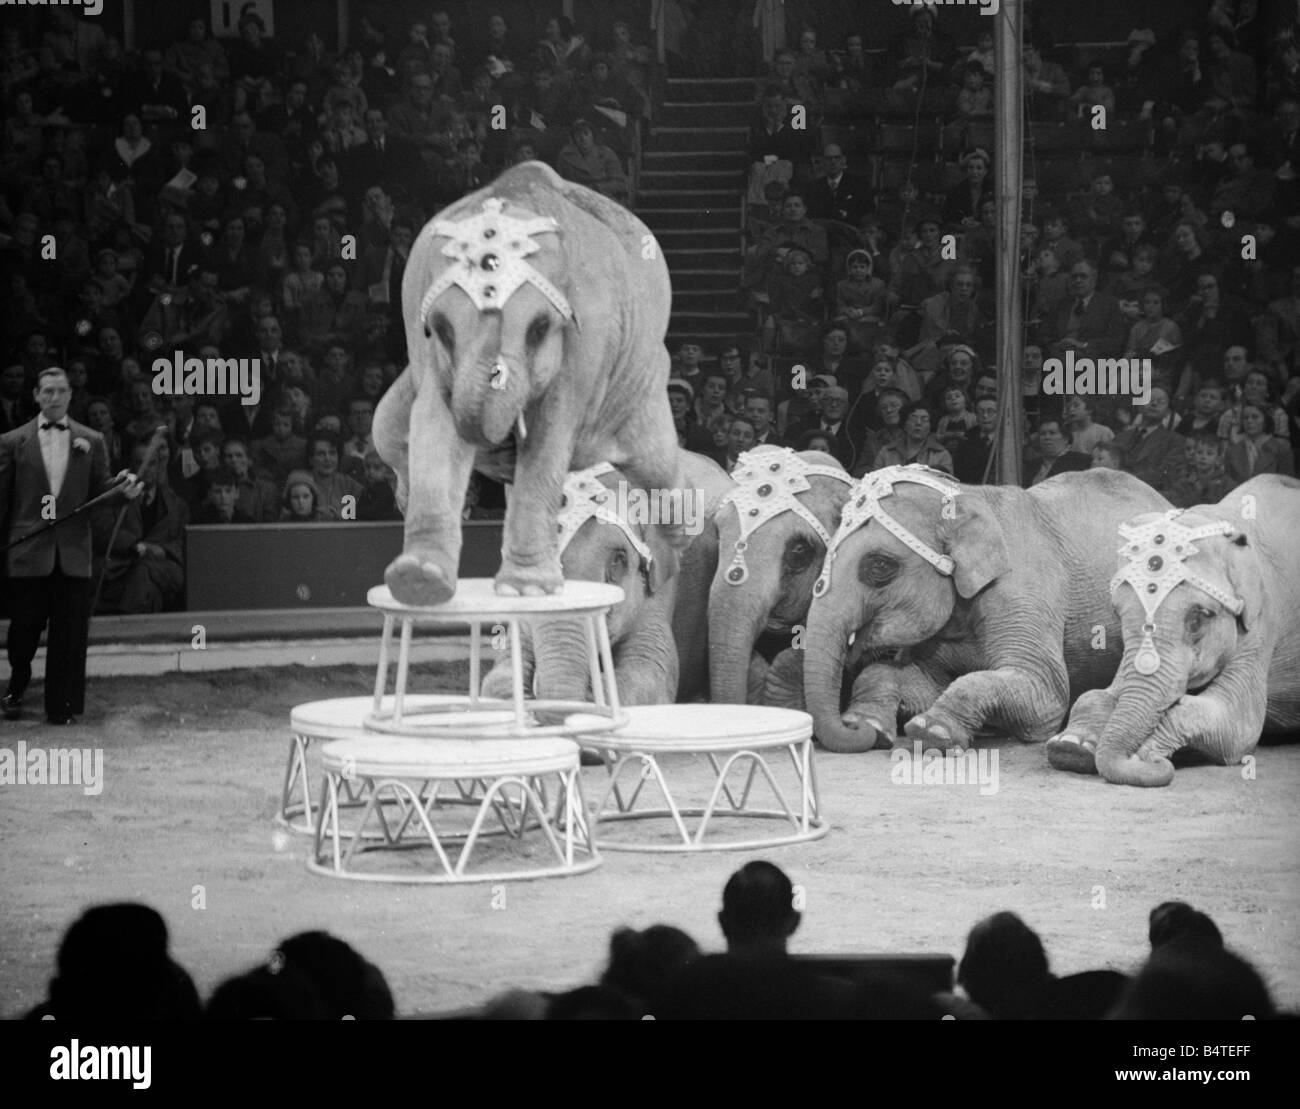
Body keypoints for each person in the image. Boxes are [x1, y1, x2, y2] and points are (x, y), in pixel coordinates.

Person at [0, 367, 143, 723]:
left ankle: (60, 706)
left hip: (73, 554)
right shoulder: (11, 441)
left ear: (70, 395)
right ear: (35, 395)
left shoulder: (91, 440)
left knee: (69, 634)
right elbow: (3, 501)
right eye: (47, 391)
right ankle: (17, 684)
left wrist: (123, 489)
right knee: (23, 632)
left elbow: (101, 491)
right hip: (28, 552)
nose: (54, 397)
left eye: (60, 391)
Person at [91, 435, 188, 615]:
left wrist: (163, 550)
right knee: (147, 587)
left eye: (151, 463)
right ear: (130, 466)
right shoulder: (113, 497)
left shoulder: (177, 505)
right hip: (122, 564)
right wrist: (134, 546)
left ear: (160, 466)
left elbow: (184, 542)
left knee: (143, 570)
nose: (146, 469)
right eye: (140, 463)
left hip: (162, 566)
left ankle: (126, 622)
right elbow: (101, 531)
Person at [1023, 417, 1091, 487]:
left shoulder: (1082, 461)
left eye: (1052, 433)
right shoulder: (1031, 466)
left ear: (1065, 439)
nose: (1047, 437)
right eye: (1043, 434)